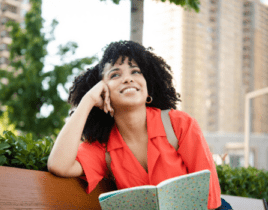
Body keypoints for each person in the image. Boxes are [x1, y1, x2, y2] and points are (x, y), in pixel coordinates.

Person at [47, 40, 223, 209]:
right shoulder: (104, 149)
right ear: (103, 90)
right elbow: (59, 165)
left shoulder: (180, 124)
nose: (128, 79)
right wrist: (88, 100)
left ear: (148, 85)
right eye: (115, 74)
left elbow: (209, 195)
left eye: (136, 72)